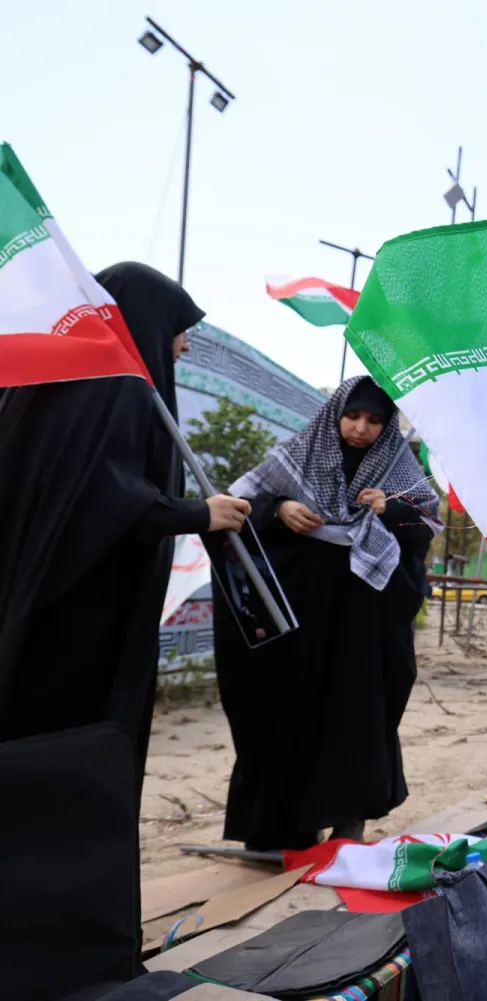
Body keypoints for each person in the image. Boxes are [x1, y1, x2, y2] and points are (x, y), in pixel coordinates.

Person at [0, 262, 251, 1001]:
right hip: (79, 640)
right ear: (142, 319)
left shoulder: (54, 381)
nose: (181, 351)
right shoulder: (110, 386)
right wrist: (195, 514)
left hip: (43, 624)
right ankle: (68, 951)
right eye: (178, 334)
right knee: (74, 792)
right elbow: (103, 501)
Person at [215, 376, 438, 849]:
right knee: (288, 707)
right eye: (352, 416)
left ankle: (349, 819)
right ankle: (286, 826)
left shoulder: (400, 467)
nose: (360, 429)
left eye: (374, 420)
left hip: (365, 618)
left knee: (356, 711)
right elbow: (237, 503)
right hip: (300, 612)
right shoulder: (298, 452)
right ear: (335, 414)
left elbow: (426, 525)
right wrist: (280, 508)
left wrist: (391, 509)